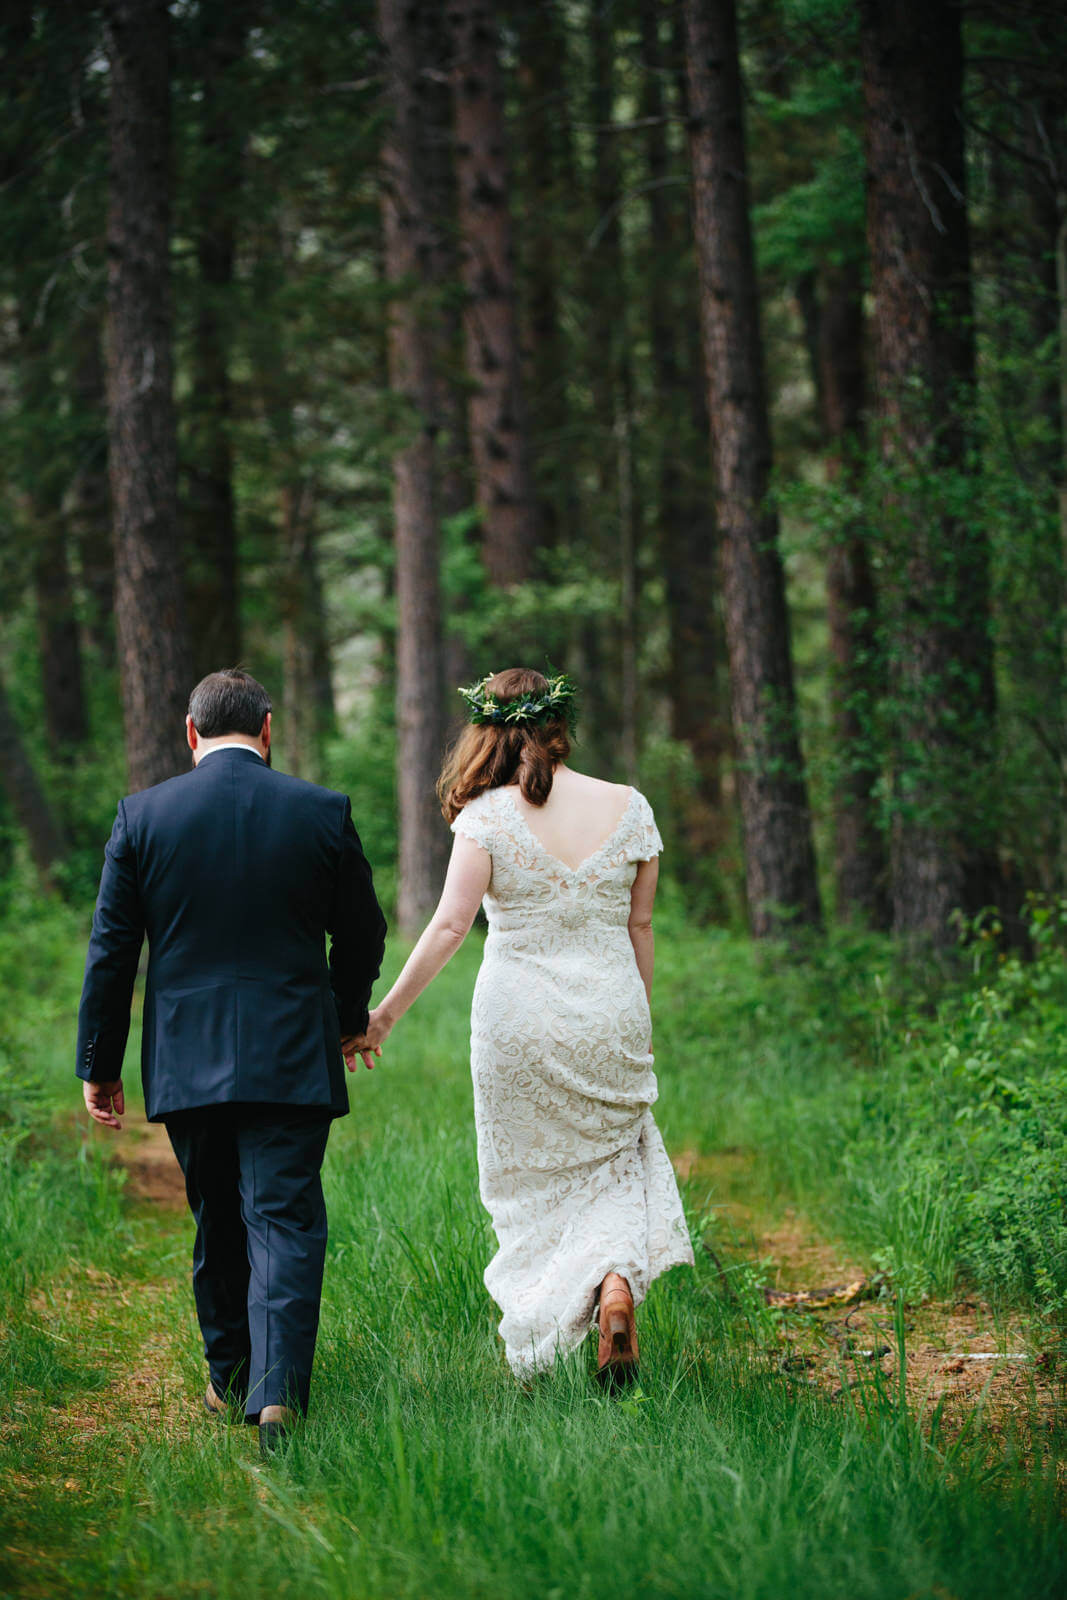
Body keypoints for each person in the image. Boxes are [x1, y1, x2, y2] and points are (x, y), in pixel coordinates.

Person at [75, 669, 386, 1454]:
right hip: (291, 1048)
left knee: (216, 1214)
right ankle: (278, 1390)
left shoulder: (142, 817)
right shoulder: (321, 811)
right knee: (281, 1216)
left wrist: (99, 1061)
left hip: (187, 1054)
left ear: (190, 732)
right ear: (268, 728)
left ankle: (229, 1377)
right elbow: (362, 932)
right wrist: (346, 1018)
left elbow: (112, 953)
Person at [354, 667, 693, 1383]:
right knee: (614, 1165)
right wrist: (641, 1021)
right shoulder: (630, 807)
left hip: (518, 1021)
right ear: (557, 723)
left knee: (527, 1183)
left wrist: (382, 1017)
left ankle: (554, 1322)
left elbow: (449, 926)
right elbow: (640, 925)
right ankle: (612, 1285)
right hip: (611, 1010)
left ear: (488, 730)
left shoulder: (486, 817)